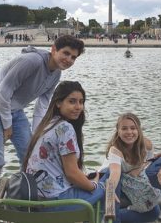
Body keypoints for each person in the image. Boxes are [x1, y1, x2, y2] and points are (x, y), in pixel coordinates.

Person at [0, 35, 85, 223]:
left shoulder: (56, 73)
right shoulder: (31, 61)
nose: (69, 60)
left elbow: (42, 104)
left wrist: (40, 132)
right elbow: (2, 91)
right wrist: (7, 126)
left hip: (14, 109)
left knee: (29, 154)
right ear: (53, 49)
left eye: (74, 57)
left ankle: (27, 201)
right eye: (66, 53)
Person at [24, 81, 106, 210]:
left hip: (36, 197)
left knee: (104, 174)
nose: (78, 107)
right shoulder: (65, 128)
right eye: (72, 101)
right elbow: (72, 174)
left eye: (81, 102)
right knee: (106, 186)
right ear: (58, 103)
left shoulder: (47, 124)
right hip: (56, 201)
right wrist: (94, 185)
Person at [103, 113, 161, 223]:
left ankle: (109, 217)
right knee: (114, 176)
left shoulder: (146, 144)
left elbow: (149, 164)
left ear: (139, 129)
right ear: (118, 131)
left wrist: (138, 170)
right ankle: (111, 217)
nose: (129, 132)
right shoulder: (115, 149)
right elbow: (114, 173)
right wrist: (110, 190)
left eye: (133, 128)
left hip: (135, 182)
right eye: (124, 128)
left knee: (155, 212)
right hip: (115, 179)